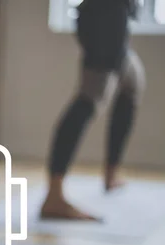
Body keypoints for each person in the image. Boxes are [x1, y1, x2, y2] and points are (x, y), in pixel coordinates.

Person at [41, 0, 146, 220]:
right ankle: (54, 195)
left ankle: (111, 173)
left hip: (115, 17)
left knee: (132, 82)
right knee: (88, 101)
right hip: (103, 19)